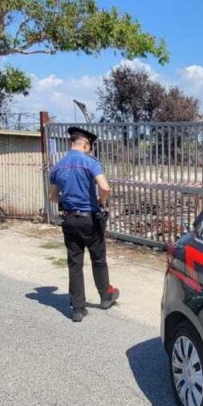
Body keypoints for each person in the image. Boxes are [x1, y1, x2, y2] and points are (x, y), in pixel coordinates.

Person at [48, 126, 119, 322]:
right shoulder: (89, 162)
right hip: (89, 219)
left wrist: (66, 200)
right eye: (90, 146)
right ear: (85, 144)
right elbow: (105, 187)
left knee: (75, 263)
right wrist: (100, 201)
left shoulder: (58, 166)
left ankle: (78, 309)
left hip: (69, 219)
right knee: (98, 258)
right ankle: (105, 296)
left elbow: (52, 196)